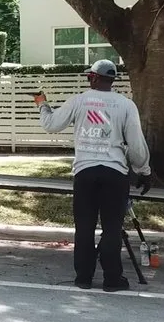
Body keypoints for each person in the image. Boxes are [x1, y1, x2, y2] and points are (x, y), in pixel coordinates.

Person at [34, 59, 151, 292]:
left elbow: (51, 125)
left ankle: (84, 278)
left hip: (85, 173)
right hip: (115, 174)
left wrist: (42, 104)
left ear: (93, 78)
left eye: (90, 76)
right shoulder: (125, 105)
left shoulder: (79, 101)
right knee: (111, 227)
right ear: (112, 80)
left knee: (85, 227)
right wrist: (144, 170)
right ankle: (112, 280)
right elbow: (137, 145)